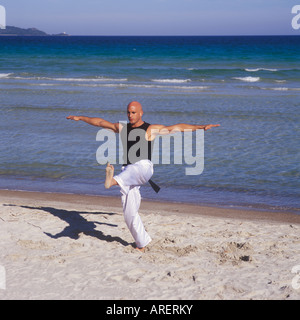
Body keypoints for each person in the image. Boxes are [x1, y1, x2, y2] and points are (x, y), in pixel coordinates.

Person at [67, 101, 220, 251]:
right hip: (128, 172)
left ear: (141, 113)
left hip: (143, 168)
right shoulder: (122, 128)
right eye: (128, 112)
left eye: (133, 112)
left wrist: (200, 127)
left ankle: (111, 181)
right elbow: (100, 122)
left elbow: (176, 128)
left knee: (131, 171)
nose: (130, 115)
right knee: (129, 214)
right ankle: (142, 243)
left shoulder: (150, 129)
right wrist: (80, 118)